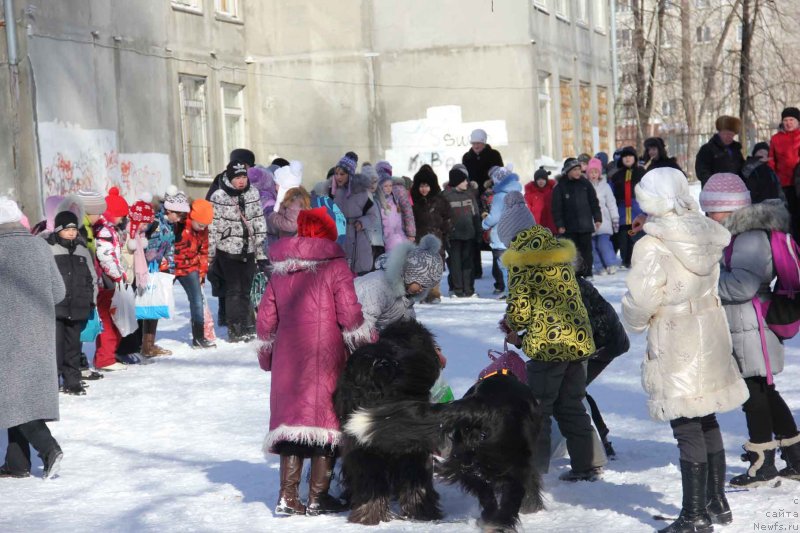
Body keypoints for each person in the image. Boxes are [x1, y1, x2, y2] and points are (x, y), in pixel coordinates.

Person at [621, 167, 749, 533]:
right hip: (709, 329)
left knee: (686, 422)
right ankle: (716, 502)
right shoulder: (705, 233)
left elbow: (643, 299)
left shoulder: (653, 245)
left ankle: (694, 516)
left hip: (677, 333)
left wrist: (633, 316)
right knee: (705, 413)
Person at [256, 207, 371, 516]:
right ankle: (319, 496)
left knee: (293, 422)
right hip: (325, 355)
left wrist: (267, 356)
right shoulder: (335, 266)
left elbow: (266, 318)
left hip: (287, 357)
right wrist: (369, 345)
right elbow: (349, 315)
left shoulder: (279, 269)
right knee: (325, 422)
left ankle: (288, 496)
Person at [497, 191, 606, 481]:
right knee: (571, 404)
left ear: (513, 235)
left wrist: (511, 325)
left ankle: (534, 472)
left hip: (550, 344)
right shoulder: (556, 250)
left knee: (538, 408)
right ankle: (588, 464)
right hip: (578, 339)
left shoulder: (522, 258)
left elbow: (520, 308)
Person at [699, 174, 800, 486]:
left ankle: (762, 464)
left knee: (753, 393)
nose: (707, 215)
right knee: (762, 390)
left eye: (712, 209)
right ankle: (795, 458)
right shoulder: (740, 234)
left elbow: (741, 286)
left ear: (728, 208)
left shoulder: (748, 237)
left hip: (751, 323)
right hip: (747, 323)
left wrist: (704, 282)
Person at [0, 197, 65, 479]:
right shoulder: (40, 245)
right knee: (17, 397)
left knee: (13, 397)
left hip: (6, 335)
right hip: (39, 333)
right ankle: (17, 462)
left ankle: (48, 448)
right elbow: (59, 291)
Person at [209, 161, 268, 342]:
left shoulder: (253, 193)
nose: (241, 181)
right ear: (229, 178)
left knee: (247, 289)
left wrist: (260, 251)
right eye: (237, 178)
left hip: (248, 249)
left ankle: (248, 324)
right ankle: (235, 329)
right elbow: (213, 226)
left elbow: (259, 221)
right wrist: (211, 253)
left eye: (243, 177)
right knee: (234, 290)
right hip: (227, 250)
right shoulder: (219, 196)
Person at [46, 210, 98, 396]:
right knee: (56, 348)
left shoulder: (83, 250)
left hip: (78, 305)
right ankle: (52, 382)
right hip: (56, 306)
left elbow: (92, 277)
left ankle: (72, 381)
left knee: (74, 347)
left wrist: (91, 299)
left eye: (74, 229)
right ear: (58, 229)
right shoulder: (48, 249)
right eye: (67, 229)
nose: (71, 232)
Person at [354, 234, 444, 332]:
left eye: (427, 287)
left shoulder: (406, 295)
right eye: (422, 285)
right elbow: (360, 328)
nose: (422, 289)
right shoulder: (377, 287)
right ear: (411, 275)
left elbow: (409, 324)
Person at [93, 187, 130, 371]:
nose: (123, 220)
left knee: (112, 319)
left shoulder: (107, 229)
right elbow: (106, 256)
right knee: (108, 320)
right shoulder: (104, 231)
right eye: (121, 215)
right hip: (106, 282)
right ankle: (104, 358)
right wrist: (118, 276)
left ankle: (107, 355)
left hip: (108, 281)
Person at [173, 199, 216, 349]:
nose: (202, 228)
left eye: (205, 225)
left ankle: (199, 338)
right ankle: (146, 342)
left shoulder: (203, 231)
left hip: (190, 268)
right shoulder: (180, 224)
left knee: (197, 301)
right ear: (192, 217)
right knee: (159, 301)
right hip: (170, 267)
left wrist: (202, 274)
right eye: (200, 224)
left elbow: (203, 252)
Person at [552, 158, 602, 279]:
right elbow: (556, 208)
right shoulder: (560, 187)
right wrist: (560, 224)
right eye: (574, 170)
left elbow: (594, 202)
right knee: (572, 251)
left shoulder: (585, 184)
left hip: (585, 225)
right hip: (569, 227)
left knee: (587, 251)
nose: (578, 172)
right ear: (567, 171)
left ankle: (588, 272)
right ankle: (574, 273)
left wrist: (597, 218)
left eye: (579, 169)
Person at [410, 166, 451, 304]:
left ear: (432, 186)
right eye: (421, 186)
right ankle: (423, 293)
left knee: (435, 267)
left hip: (436, 238)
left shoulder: (440, 200)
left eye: (427, 186)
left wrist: (446, 230)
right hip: (419, 238)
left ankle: (434, 293)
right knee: (421, 268)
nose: (424, 189)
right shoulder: (414, 202)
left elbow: (447, 217)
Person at [331, 152, 377, 276]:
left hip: (358, 240)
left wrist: (362, 222)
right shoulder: (333, 192)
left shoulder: (361, 193)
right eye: (336, 173)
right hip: (339, 238)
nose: (338, 177)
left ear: (350, 175)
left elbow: (373, 216)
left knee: (357, 276)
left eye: (342, 174)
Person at [482, 165, 521, 297]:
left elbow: (494, 217)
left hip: (501, 235)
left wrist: (485, 223)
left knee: (504, 266)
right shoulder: (518, 193)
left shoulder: (499, 196)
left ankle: (509, 292)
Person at [443, 167, 480, 297]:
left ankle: (469, 290)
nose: (466, 183)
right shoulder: (445, 196)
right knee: (455, 264)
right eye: (464, 181)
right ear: (457, 181)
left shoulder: (470, 195)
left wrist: (478, 233)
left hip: (469, 235)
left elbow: (476, 215)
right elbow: (442, 217)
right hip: (453, 237)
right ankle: (457, 290)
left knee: (469, 264)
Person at [609, 146, 646, 269]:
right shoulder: (616, 175)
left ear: (635, 158)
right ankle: (626, 260)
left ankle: (638, 259)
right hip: (622, 211)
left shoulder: (641, 172)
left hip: (637, 210)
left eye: (630, 156)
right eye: (625, 156)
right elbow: (611, 194)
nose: (628, 158)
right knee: (624, 238)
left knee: (637, 236)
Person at [768, 107, 800, 239]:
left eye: (791, 120)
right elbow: (771, 160)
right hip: (785, 184)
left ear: (798, 121)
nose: (788, 123)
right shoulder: (776, 139)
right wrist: (773, 177)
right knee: (790, 216)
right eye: (785, 120)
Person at [587, 157, 620, 275]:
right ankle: (599, 266)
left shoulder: (605, 187)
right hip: (588, 222)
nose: (593, 174)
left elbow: (611, 203)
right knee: (592, 246)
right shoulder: (585, 186)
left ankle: (611, 264)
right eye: (591, 172)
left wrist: (615, 218)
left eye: (596, 172)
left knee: (604, 244)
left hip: (604, 221)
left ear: (600, 173)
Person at [695, 115, 745, 187]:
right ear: (719, 132)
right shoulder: (707, 149)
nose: (729, 137)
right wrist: (717, 184)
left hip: (734, 191)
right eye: (726, 134)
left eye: (732, 135)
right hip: (714, 193)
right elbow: (702, 172)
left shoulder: (736, 150)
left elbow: (742, 170)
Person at [376, 171, 416, 253]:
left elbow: (398, 221)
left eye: (390, 185)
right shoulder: (378, 202)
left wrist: (400, 236)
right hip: (386, 239)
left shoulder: (394, 201)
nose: (388, 188)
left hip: (397, 236)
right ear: (380, 187)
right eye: (385, 186)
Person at [462, 128, 504, 198]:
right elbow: (464, 176)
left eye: (478, 143)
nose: (475, 146)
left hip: (492, 193)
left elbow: (501, 174)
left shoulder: (494, 155)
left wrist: (491, 183)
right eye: (473, 143)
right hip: (473, 194)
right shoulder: (466, 157)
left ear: (484, 142)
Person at [524, 166, 557, 233]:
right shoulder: (530, 193)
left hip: (551, 227)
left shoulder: (553, 191)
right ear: (535, 180)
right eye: (538, 179)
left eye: (543, 179)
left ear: (546, 180)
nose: (541, 181)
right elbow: (527, 211)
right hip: (536, 228)